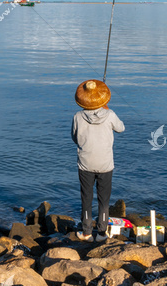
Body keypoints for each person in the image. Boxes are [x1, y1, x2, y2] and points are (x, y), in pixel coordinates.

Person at [71, 79, 125, 242]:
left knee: (86, 197)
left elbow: (75, 138)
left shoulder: (78, 117)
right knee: (104, 200)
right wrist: (107, 110)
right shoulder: (110, 115)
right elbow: (121, 128)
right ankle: (101, 233)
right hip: (105, 164)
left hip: (85, 163)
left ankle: (87, 232)